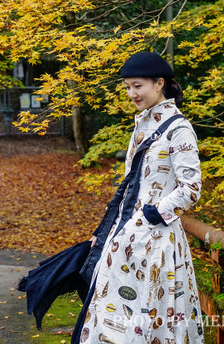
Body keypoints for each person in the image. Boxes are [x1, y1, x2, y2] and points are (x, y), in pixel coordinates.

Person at [75, 51, 205, 343]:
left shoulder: (179, 129)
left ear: (159, 84)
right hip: (126, 237)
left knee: (153, 317)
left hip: (158, 242)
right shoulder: (141, 126)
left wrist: (150, 216)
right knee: (115, 315)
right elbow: (130, 186)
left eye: (138, 86)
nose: (132, 93)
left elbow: (191, 188)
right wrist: (105, 230)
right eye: (127, 87)